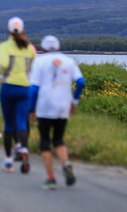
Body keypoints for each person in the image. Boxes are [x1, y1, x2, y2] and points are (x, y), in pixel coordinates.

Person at [29, 35, 86, 190]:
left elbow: (34, 89)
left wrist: (31, 109)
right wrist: (74, 102)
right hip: (63, 106)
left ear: (42, 49)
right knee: (59, 140)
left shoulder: (39, 62)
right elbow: (81, 82)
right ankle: (65, 163)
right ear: (59, 47)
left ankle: (51, 178)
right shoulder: (69, 61)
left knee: (45, 141)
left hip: (45, 107)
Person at [0, 17, 37, 174]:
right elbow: (33, 67)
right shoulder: (30, 48)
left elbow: (4, 65)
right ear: (22, 30)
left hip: (8, 87)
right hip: (25, 88)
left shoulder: (4, 47)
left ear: (8, 31)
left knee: (8, 124)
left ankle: (8, 161)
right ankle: (23, 148)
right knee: (21, 122)